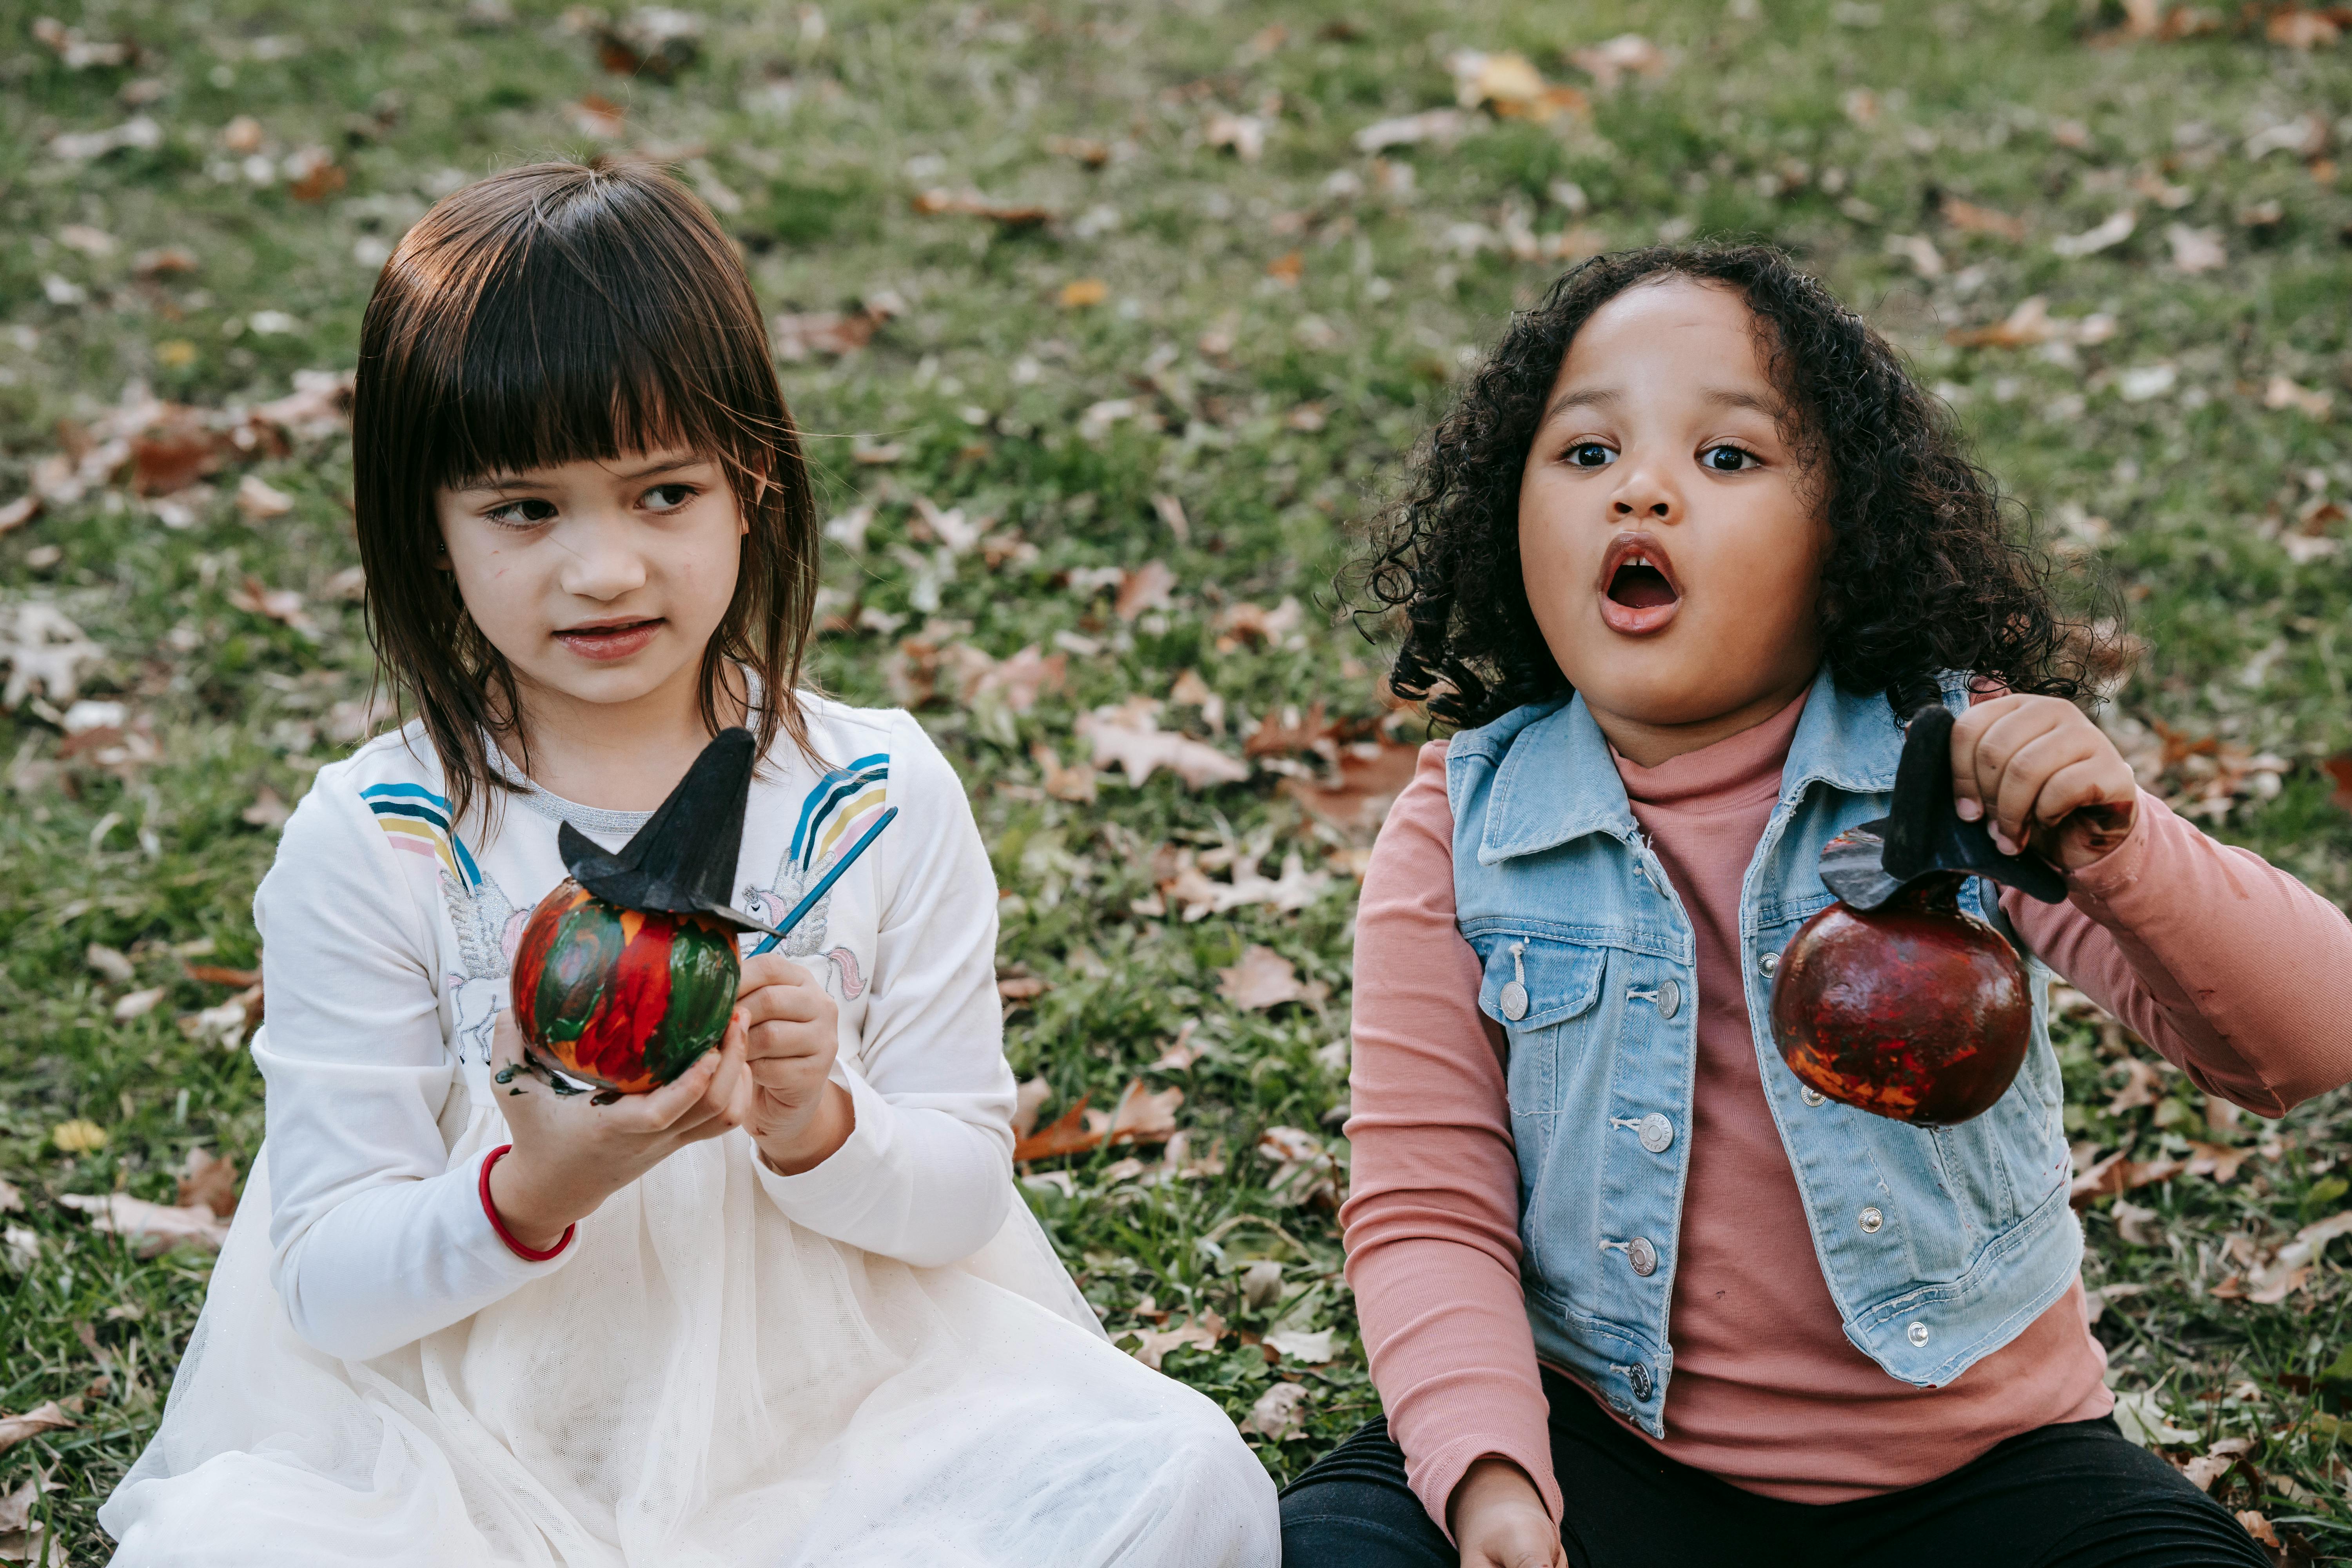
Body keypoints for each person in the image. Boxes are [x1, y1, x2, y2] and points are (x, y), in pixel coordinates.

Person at [101, 159, 1277, 1567]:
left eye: (662, 493)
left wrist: (818, 1125)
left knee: (1184, 1485)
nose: (604, 569)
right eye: (525, 510)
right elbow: (332, 1289)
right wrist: (530, 1190)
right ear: (429, 523)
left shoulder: (874, 798)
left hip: (843, 1414)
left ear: (752, 481)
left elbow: (964, 1185)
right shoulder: (379, 839)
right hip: (455, 1437)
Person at [1279, 245, 2352, 1568]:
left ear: (1843, 533)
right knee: (1328, 1546)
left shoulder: (1955, 766)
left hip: (1984, 1475)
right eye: (1586, 453)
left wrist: (2119, 844)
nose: (1646, 489)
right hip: (1605, 1446)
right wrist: (1492, 1480)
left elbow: (2310, 1043)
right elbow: (1426, 1200)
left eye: (1727, 459)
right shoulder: (1465, 822)